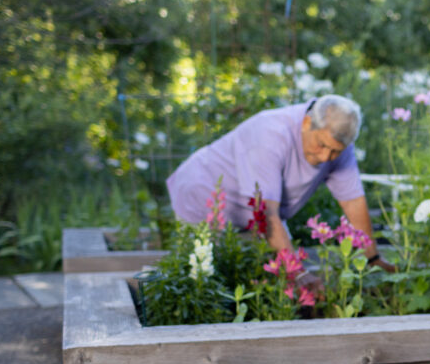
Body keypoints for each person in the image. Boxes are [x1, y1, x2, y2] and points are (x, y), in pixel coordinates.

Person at [167, 94, 395, 273]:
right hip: (201, 195)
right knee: (203, 272)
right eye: (321, 145)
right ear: (307, 123)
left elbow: (353, 201)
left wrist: (373, 259)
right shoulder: (270, 134)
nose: (326, 157)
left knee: (257, 271)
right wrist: (301, 275)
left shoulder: (337, 143)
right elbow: (267, 214)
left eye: (335, 151)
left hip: (252, 215)